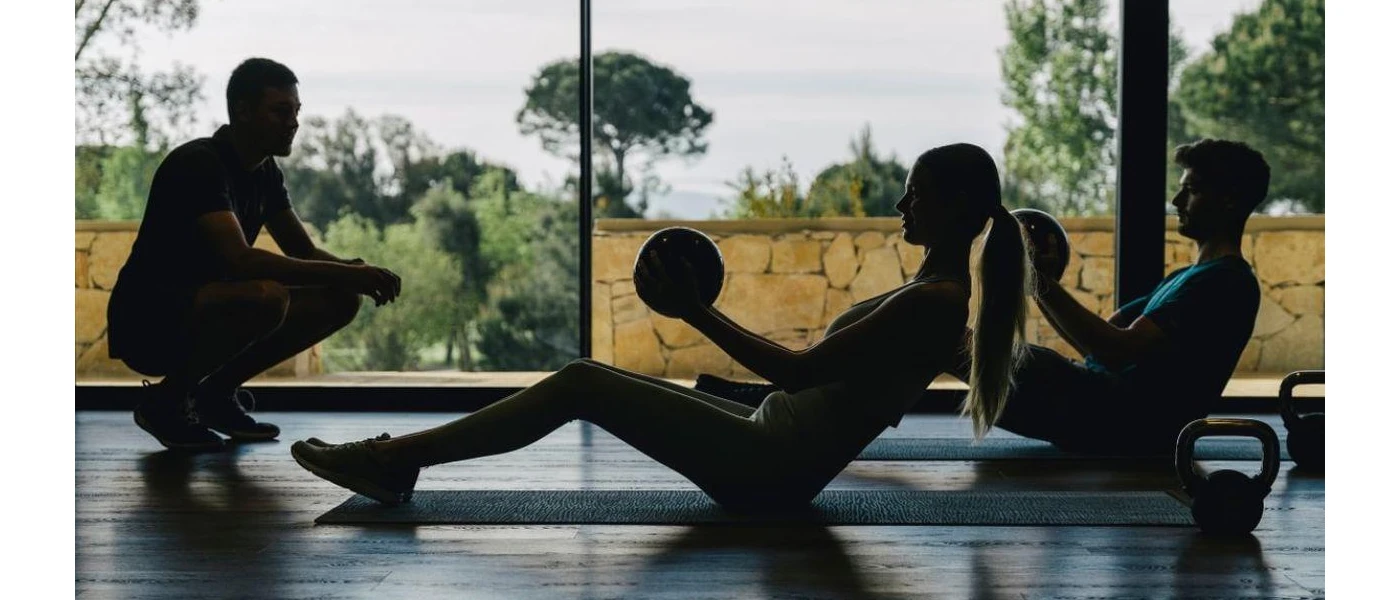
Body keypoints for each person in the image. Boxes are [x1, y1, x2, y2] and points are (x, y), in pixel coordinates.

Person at [291, 143, 1032, 509]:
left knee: (581, 381)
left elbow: (801, 371)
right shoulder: (931, 291)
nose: (902, 205)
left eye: (916, 194)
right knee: (595, 378)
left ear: (960, 207)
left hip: (771, 468)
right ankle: (397, 460)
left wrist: (695, 312)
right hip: (774, 436)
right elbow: (832, 391)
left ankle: (396, 462)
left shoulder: (934, 301)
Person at [108, 57, 403, 452]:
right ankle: (167, 402)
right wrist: (348, 274)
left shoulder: (264, 173)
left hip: (200, 312)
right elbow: (241, 261)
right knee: (267, 296)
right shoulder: (200, 163)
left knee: (339, 298)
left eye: (296, 112)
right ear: (242, 111)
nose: (294, 122)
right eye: (281, 111)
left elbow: (304, 251)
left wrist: (354, 272)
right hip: (149, 324)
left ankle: (214, 396)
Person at [963, 138, 1268, 453]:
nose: (1177, 200)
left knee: (944, 336)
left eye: (1192, 190)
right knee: (946, 337)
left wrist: (1042, 282)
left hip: (1121, 420)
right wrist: (1041, 285)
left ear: (1229, 201)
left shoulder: (1227, 281)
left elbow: (1115, 350)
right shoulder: (1187, 276)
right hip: (1097, 401)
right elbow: (1099, 341)